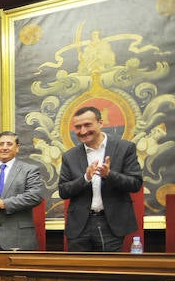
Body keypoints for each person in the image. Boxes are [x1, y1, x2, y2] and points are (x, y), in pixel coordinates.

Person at [59, 106, 143, 252]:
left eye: (87, 125)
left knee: (109, 272)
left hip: (111, 224)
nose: (83, 131)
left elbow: (135, 183)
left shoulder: (124, 148)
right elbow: (63, 191)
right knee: (79, 272)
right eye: (78, 127)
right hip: (79, 226)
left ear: (100, 123)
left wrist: (109, 175)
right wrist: (85, 178)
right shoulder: (69, 156)